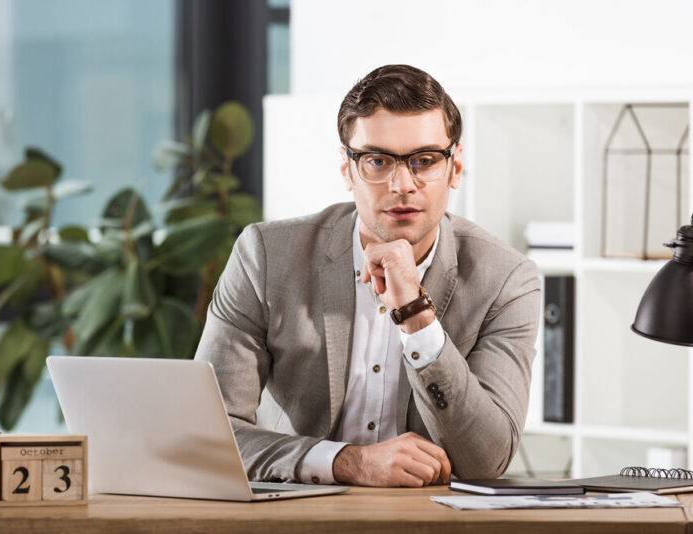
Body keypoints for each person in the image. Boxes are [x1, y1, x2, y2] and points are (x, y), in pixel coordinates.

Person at [194, 64, 541, 487]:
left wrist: (417, 316)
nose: (402, 184)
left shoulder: (507, 280)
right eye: (377, 160)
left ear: (455, 168)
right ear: (347, 169)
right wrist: (348, 462)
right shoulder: (266, 256)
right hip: (294, 518)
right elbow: (206, 433)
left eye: (425, 161)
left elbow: (489, 459)